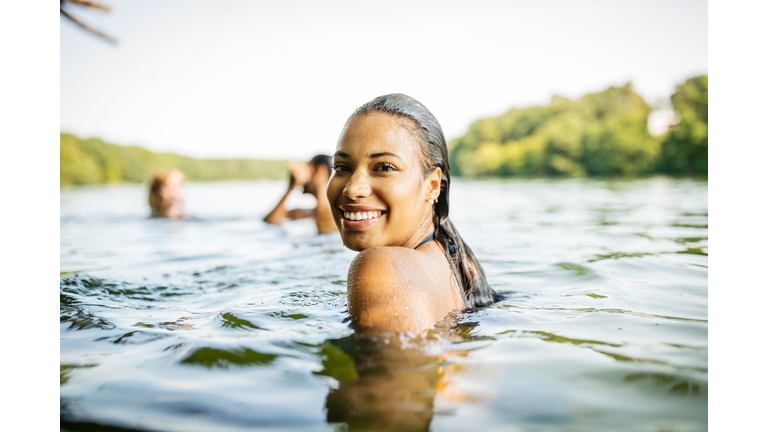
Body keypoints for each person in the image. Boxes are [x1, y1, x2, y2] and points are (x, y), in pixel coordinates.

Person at [326, 93, 500, 335]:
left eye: (384, 167)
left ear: (432, 185)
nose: (353, 188)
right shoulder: (456, 265)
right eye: (341, 167)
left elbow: (397, 373)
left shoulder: (381, 268)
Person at [264, 155, 337, 234]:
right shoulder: (300, 213)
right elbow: (270, 221)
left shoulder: (338, 218)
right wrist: (291, 187)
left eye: (307, 168)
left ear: (320, 171)